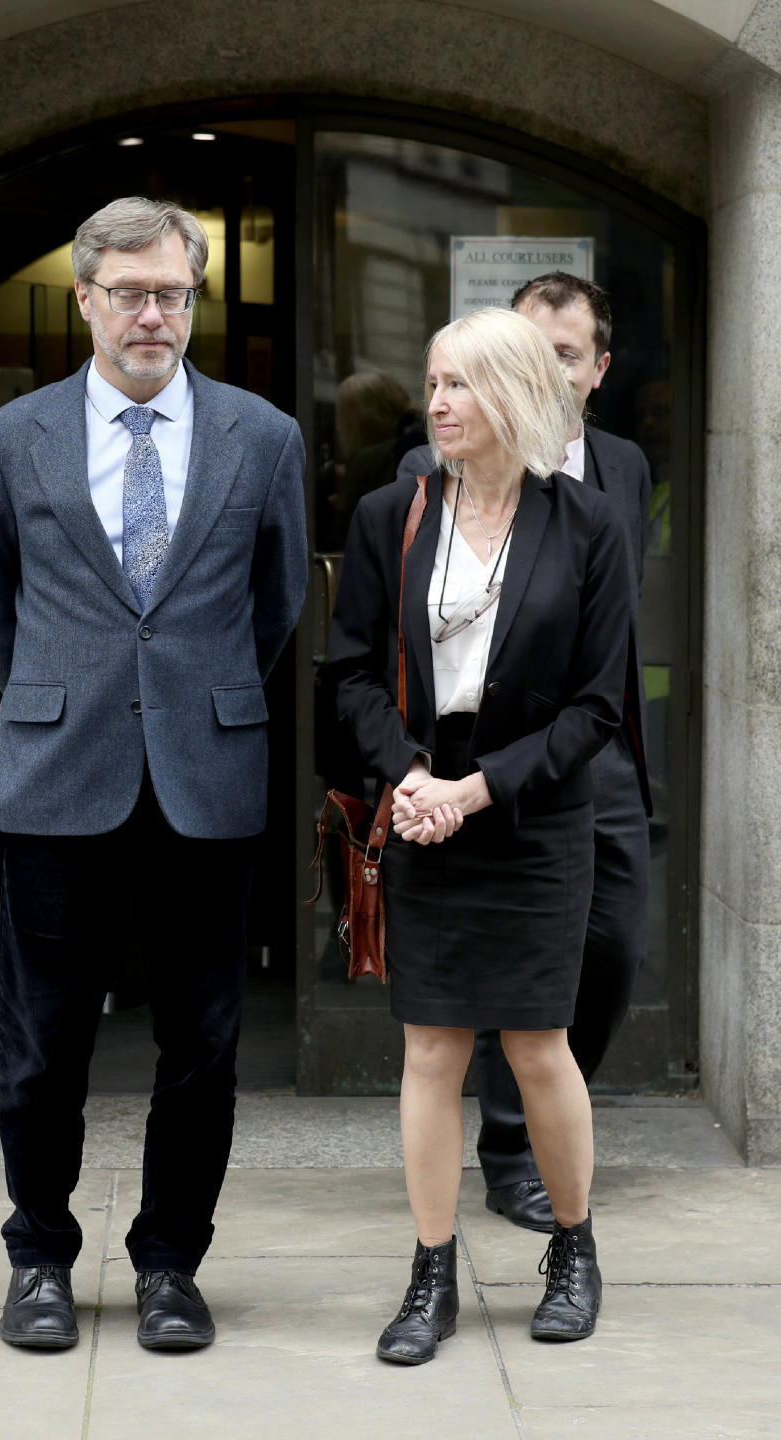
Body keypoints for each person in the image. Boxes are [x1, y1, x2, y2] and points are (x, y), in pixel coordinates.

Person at [0, 197, 307, 1353]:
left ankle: (168, 1265)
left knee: (203, 1043)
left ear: (193, 300)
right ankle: (40, 1260)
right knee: (43, 1041)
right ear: (87, 300)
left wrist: (186, 698)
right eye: (132, 293)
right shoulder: (14, 437)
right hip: (59, 774)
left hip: (207, 775)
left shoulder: (265, 437)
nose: (154, 315)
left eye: (174, 294)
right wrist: (72, 694)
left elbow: (277, 606)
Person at [326, 308, 631, 1360]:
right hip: (421, 812)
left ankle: (575, 1250)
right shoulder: (388, 514)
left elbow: (597, 708)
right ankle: (430, 1275)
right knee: (431, 1048)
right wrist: (411, 776)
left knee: (539, 1046)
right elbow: (352, 672)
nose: (437, 404)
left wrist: (480, 789)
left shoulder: (588, 526)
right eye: (432, 382)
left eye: (458, 384)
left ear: (511, 394)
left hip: (535, 818)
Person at [397, 273, 651, 1233]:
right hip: (463, 766)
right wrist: (421, 774)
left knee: (610, 951)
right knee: (454, 1027)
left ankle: (551, 1137)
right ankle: (509, 1152)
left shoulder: (618, 471)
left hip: (596, 751)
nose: (548, 370)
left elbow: (608, 651)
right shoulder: (417, 493)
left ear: (595, 372)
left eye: (566, 354)